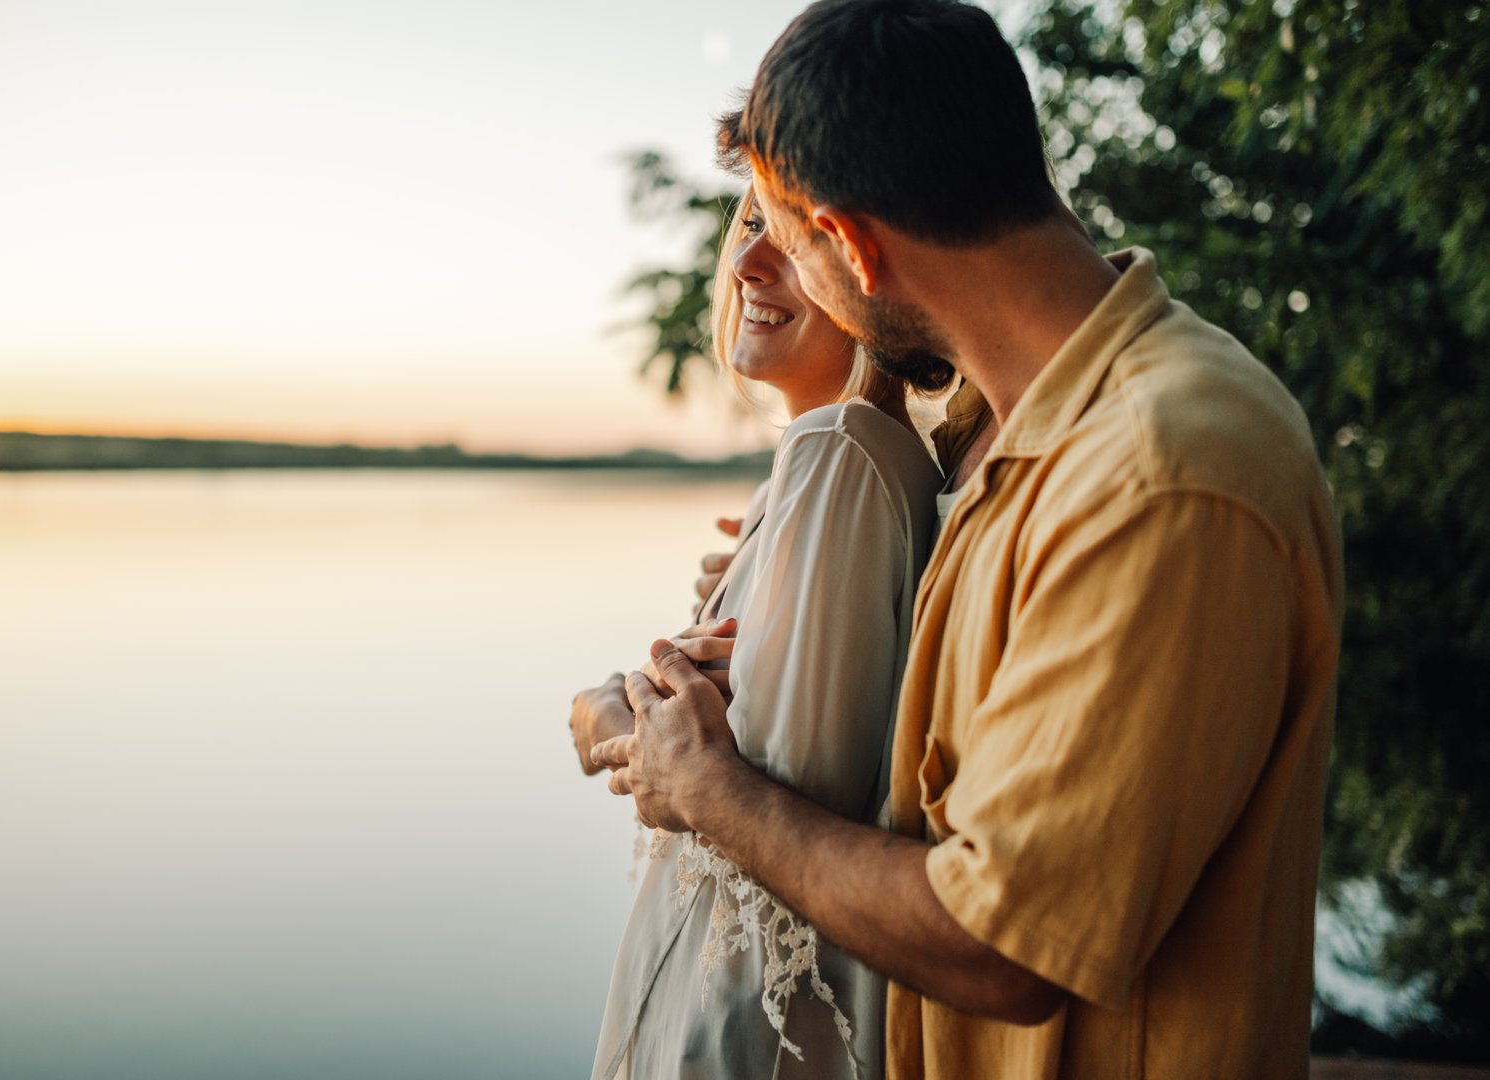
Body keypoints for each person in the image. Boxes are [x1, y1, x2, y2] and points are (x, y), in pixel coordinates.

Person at [591, 2, 1344, 1078]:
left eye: (792, 241)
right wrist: (789, 585)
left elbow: (1003, 945)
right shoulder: (986, 435)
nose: (778, 272)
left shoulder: (1161, 473)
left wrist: (709, 791)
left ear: (849, 244)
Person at [573, 185, 945, 1079]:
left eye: (791, 236)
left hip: (748, 1032)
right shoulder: (820, 466)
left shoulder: (840, 451)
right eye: (749, 226)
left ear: (865, 265)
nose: (746, 265)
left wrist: (612, 716)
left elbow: (774, 803)